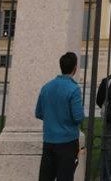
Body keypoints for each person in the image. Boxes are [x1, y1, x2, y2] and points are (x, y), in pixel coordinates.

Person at [35, 52, 84, 181]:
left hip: (49, 139)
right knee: (65, 177)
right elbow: (78, 117)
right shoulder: (73, 89)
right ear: (75, 68)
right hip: (67, 141)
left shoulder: (46, 87)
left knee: (46, 177)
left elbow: (39, 113)